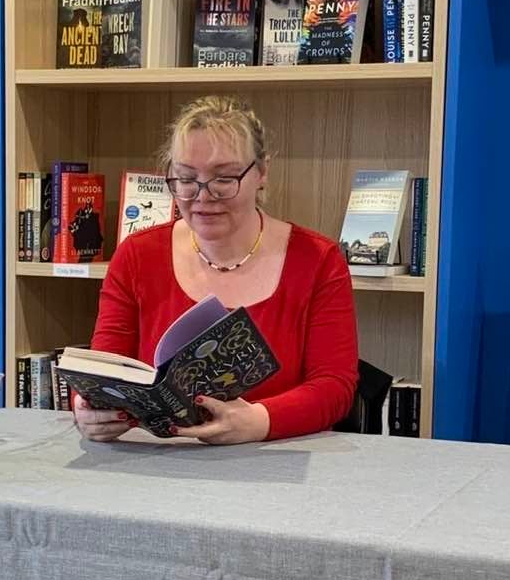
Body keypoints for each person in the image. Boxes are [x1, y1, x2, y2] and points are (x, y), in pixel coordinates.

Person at [74, 95, 358, 444]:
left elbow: (335, 387)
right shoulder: (136, 256)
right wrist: (89, 410)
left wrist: (260, 421)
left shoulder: (318, 260)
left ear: (262, 173)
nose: (203, 196)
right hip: (155, 469)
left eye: (224, 178)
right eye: (186, 178)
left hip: (275, 468)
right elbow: (105, 369)